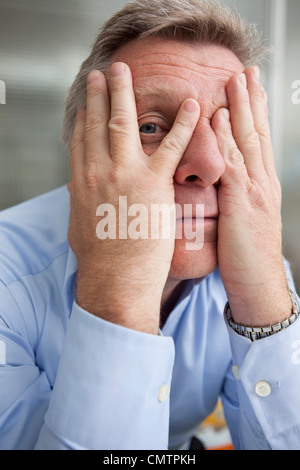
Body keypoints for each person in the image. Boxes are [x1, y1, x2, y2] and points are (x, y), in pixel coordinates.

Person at [0, 0, 299, 451]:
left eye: (230, 129)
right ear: (84, 154)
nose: (209, 163)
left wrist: (265, 308)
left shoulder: (254, 261)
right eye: (153, 127)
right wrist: (119, 297)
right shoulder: (7, 277)